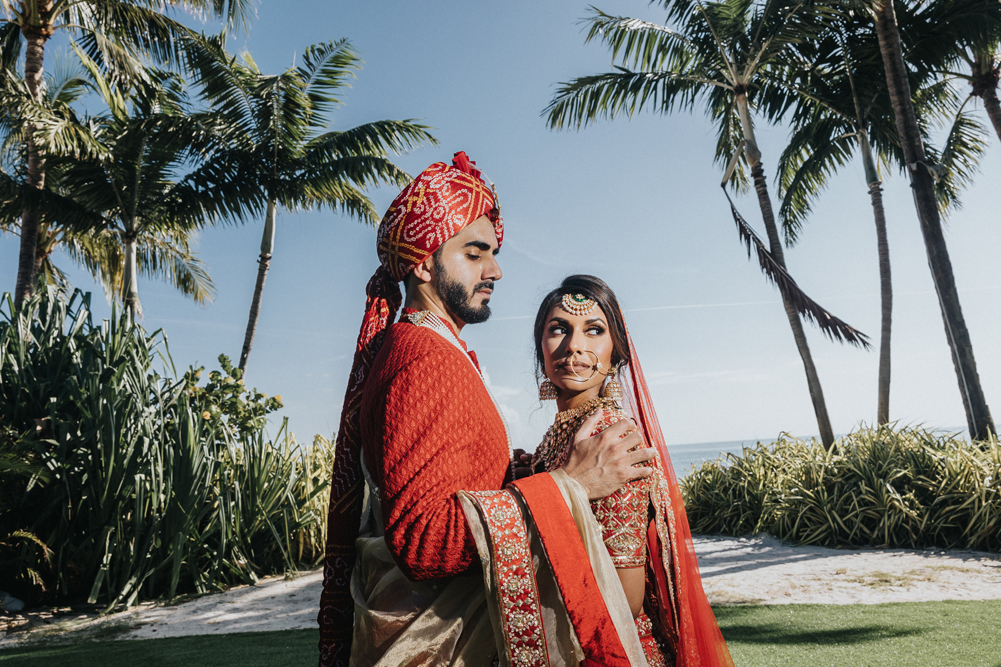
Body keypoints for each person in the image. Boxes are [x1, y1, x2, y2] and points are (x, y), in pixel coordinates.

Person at [317, 153, 655, 667]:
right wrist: (571, 486)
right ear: (423, 262)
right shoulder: (425, 359)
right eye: (474, 253)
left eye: (492, 253)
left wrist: (524, 473)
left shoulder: (431, 350)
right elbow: (424, 541)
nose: (495, 269)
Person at [532, 275, 735, 667]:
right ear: (540, 348)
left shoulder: (612, 442)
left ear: (616, 354)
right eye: (559, 329)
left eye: (594, 331)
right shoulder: (562, 433)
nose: (574, 346)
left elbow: (626, 598)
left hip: (607, 650)